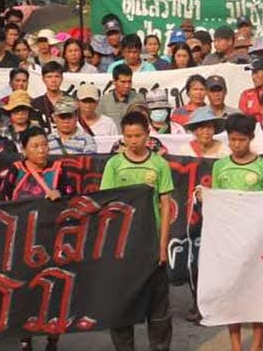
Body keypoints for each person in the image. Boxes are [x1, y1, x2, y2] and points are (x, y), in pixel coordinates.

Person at [0, 126, 73, 351]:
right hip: (21, 243)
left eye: (44, 145)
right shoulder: (15, 171)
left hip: (52, 243)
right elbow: (2, 203)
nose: (41, 150)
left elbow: (74, 204)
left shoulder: (59, 170)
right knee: (23, 291)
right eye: (35, 146)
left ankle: (52, 339)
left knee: (53, 291)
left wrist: (62, 197)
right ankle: (25, 339)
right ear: (24, 149)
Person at [101, 111, 173, 351]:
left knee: (158, 307)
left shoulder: (160, 164)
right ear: (123, 136)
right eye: (129, 136)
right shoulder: (114, 164)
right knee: (122, 305)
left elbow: (165, 207)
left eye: (138, 135)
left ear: (148, 134)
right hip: (122, 245)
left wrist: (163, 246)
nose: (133, 140)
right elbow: (107, 206)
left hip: (151, 244)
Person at [205, 113, 263, 351]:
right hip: (229, 242)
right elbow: (217, 203)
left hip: (256, 241)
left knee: (256, 296)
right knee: (232, 296)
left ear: (251, 138)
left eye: (241, 140)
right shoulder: (220, 166)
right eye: (232, 140)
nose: (236, 144)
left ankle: (256, 347)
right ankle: (236, 346)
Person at [31, 61, 66, 130]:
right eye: (49, 77)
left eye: (57, 76)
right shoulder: (36, 104)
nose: (53, 80)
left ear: (62, 78)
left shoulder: (71, 101)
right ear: (43, 79)